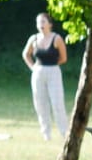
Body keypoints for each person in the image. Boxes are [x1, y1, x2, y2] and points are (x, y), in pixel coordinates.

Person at [22, 12, 71, 141]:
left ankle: (64, 132)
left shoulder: (57, 38)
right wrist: (33, 67)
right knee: (40, 103)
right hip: (38, 72)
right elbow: (26, 54)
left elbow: (63, 58)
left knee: (57, 102)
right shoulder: (34, 39)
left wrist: (51, 65)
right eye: (38, 22)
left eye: (43, 22)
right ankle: (46, 134)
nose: (41, 25)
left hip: (54, 71)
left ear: (50, 24)